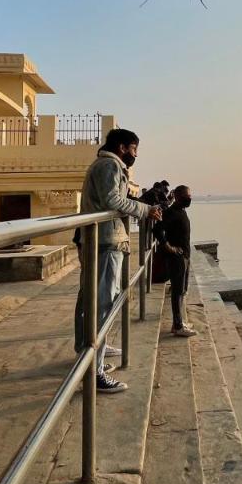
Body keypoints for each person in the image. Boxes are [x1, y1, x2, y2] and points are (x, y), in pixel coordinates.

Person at [76, 128, 162, 393]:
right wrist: (145, 210)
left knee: (89, 302)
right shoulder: (110, 166)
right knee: (102, 304)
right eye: (134, 148)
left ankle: (87, 355)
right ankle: (94, 371)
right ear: (124, 147)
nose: (135, 154)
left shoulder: (104, 164)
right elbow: (113, 199)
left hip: (98, 241)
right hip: (104, 243)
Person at [161, 184, 196, 337]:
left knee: (182, 290)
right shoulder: (171, 212)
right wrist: (169, 247)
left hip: (185, 257)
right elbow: (157, 229)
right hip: (177, 258)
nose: (189, 200)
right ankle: (177, 326)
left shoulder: (181, 211)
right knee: (177, 291)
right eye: (186, 197)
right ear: (178, 197)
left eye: (190, 197)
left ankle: (179, 321)